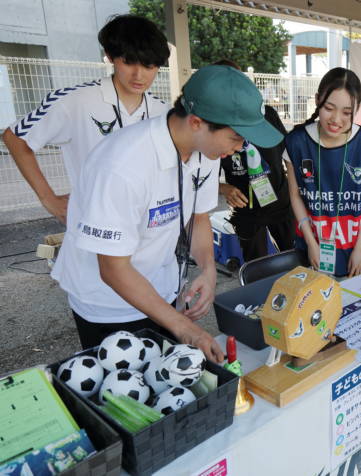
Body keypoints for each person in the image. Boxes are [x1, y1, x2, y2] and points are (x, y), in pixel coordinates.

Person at [50, 65, 282, 362]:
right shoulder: (120, 165)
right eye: (235, 138)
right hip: (108, 304)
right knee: (125, 397)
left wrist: (208, 269)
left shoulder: (207, 153)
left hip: (162, 289)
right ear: (197, 122)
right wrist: (184, 327)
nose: (239, 149)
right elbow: (112, 269)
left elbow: (199, 217)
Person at [1, 14, 170, 224]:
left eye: (149, 66)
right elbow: (15, 138)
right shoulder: (75, 100)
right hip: (93, 227)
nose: (139, 75)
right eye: (128, 62)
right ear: (109, 56)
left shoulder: (163, 111)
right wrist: (48, 198)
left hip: (148, 228)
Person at [284, 67, 361, 278]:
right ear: (318, 100)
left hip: (355, 247)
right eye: (329, 108)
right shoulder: (297, 142)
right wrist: (311, 243)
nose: (336, 119)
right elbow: (294, 195)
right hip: (313, 247)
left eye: (347, 112)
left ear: (358, 109)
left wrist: (360, 248)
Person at [214, 60, 295, 262]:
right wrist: (223, 188)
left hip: (280, 202)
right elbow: (201, 174)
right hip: (246, 209)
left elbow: (289, 154)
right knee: (257, 267)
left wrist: (296, 191)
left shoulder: (267, 115)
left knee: (295, 257)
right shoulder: (214, 126)